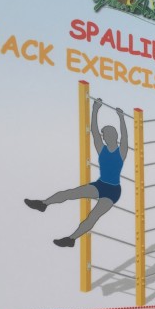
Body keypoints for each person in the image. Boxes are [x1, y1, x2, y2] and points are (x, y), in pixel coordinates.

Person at [25, 98, 128, 247]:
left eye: (106, 135)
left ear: (113, 136)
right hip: (100, 185)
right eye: (103, 135)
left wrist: (121, 117)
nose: (104, 137)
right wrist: (95, 109)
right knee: (70, 193)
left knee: (93, 216)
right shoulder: (101, 149)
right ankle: (43, 204)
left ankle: (71, 239)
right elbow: (94, 131)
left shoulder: (121, 152)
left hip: (113, 191)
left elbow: (125, 137)